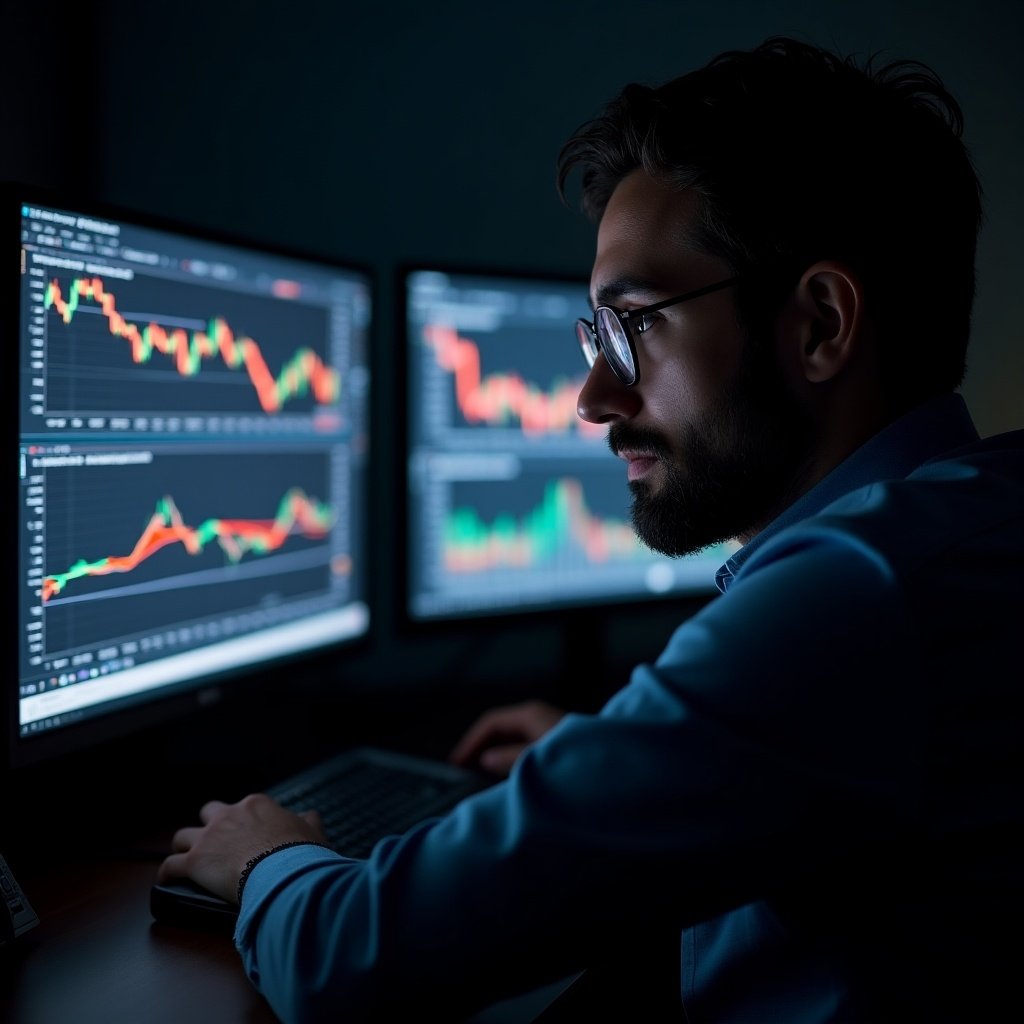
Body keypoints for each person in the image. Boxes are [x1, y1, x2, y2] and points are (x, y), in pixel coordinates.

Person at [157, 36, 1023, 1022]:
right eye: (595, 336)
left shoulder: (853, 596)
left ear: (822, 322)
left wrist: (267, 855)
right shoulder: (972, 521)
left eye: (635, 323)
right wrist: (638, 766)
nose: (594, 394)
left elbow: (354, 958)